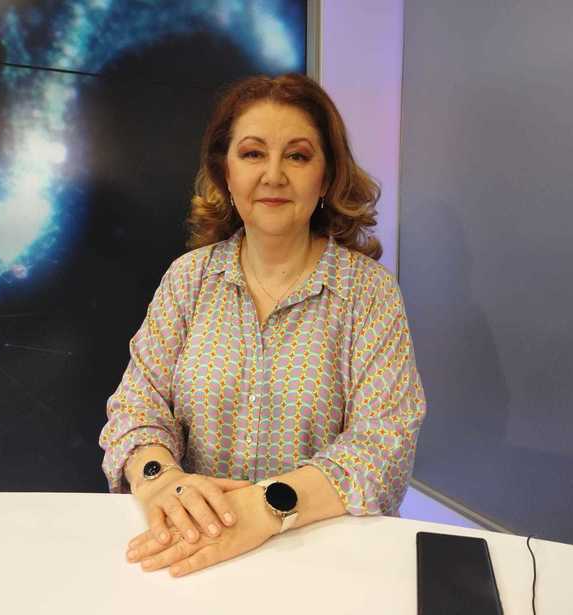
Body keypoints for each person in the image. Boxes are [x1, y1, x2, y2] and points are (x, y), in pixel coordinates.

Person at [99, 73, 426, 578]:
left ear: (326, 176)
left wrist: (268, 507)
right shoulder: (188, 279)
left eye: (297, 156)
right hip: (198, 552)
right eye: (253, 153)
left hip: (326, 565)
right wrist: (159, 478)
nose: (273, 175)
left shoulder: (369, 293)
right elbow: (136, 406)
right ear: (226, 172)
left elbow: (385, 443)